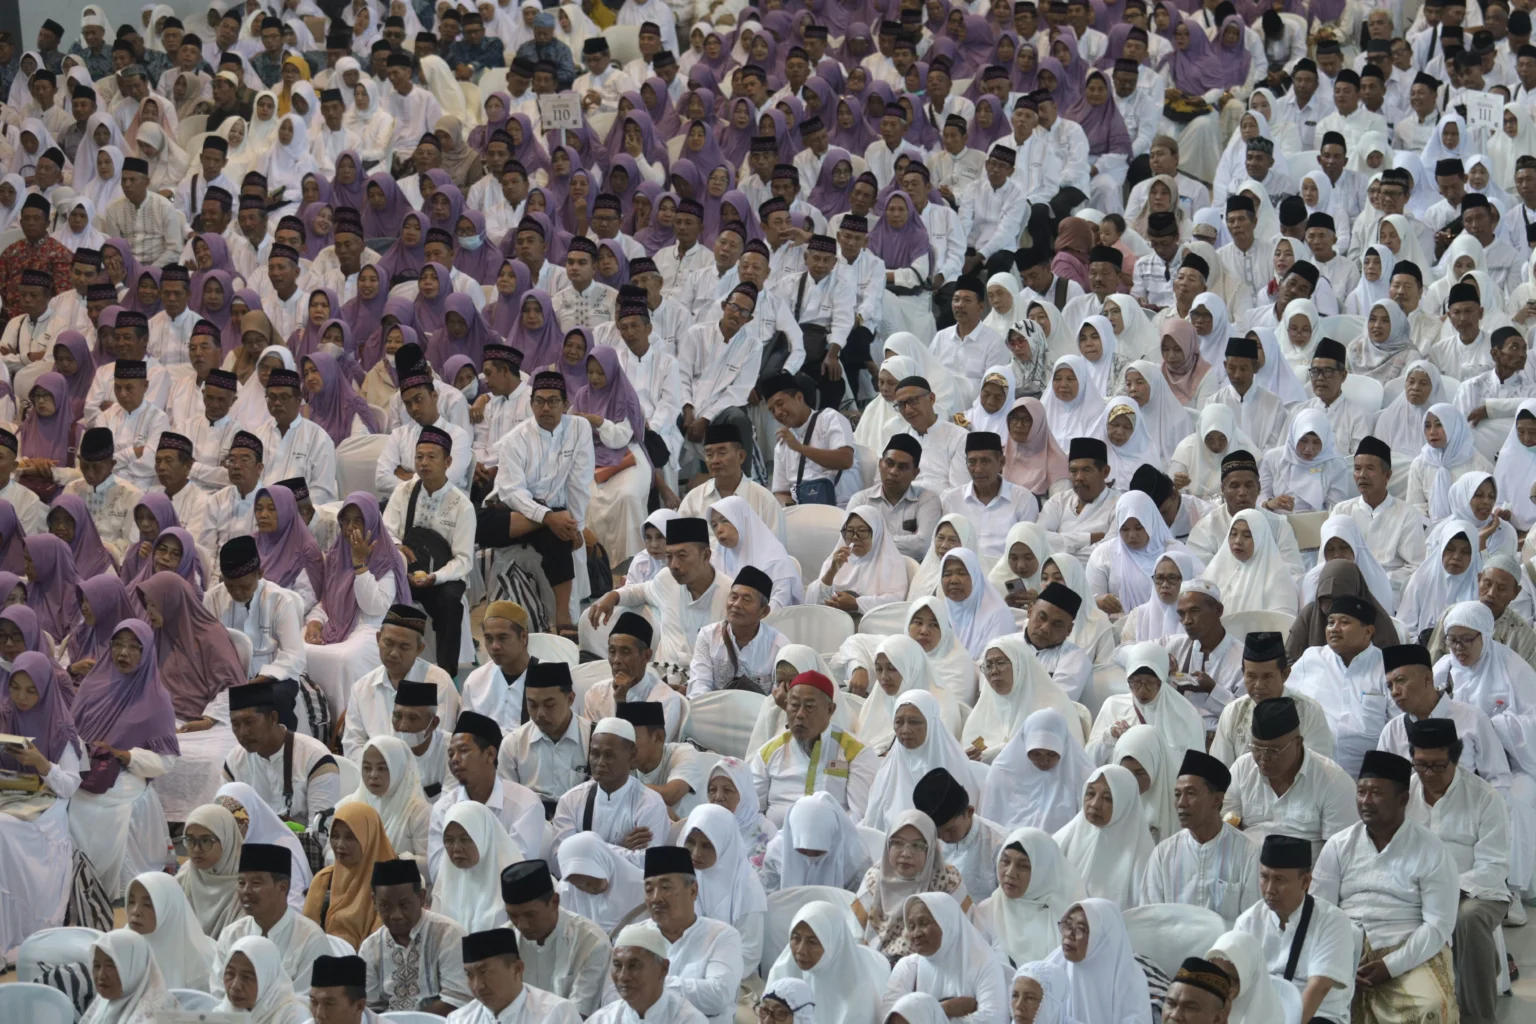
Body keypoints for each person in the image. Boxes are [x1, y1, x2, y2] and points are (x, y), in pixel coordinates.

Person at [1310, 750, 1460, 1024]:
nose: (1366, 801)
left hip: (1407, 950)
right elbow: (1320, 911)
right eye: (1361, 792)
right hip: (1346, 949)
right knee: (1305, 1001)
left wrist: (1390, 966)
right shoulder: (1339, 845)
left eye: (1377, 793)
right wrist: (1338, 961)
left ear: (1403, 798)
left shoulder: (1431, 850)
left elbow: (1438, 926)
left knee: (1429, 1008)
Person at [1405, 718, 1511, 1024]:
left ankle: (1477, 1018)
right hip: (1414, 888)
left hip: (1476, 892)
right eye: (1420, 765)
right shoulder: (1404, 794)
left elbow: (1494, 866)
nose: (1427, 774)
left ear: (1456, 758)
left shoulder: (1484, 797)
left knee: (1468, 919)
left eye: (1437, 766)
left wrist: (1446, 889)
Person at [67, 618, 179, 897]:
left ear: (147, 652)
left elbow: (166, 762)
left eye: (133, 647)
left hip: (126, 776)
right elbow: (70, 736)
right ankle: (77, 884)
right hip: (86, 772)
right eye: (117, 645)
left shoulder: (156, 698)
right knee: (71, 805)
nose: (123, 653)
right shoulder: (92, 687)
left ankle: (115, 889)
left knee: (113, 810)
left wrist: (125, 755)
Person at [481, 369, 594, 638]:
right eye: (539, 401)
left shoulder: (579, 429)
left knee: (560, 531)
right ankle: (555, 519)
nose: (546, 408)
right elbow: (511, 492)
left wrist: (575, 525)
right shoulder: (514, 440)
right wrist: (547, 515)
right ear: (531, 404)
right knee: (484, 523)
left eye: (553, 401)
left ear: (566, 405)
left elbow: (579, 483)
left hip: (551, 518)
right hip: (508, 515)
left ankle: (563, 617)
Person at [303, 492, 410, 717]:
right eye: (346, 520)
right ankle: (317, 720)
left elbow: (376, 607)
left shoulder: (387, 558)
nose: (351, 527)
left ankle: (347, 724)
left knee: (346, 660)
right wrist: (315, 623)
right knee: (299, 648)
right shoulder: (335, 554)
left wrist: (360, 565)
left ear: (371, 521)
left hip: (375, 629)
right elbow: (326, 602)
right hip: (338, 624)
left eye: (358, 520)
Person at [381, 426, 476, 674]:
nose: (423, 463)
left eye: (431, 457)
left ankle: (447, 673)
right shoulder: (403, 492)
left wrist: (436, 577)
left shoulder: (462, 505)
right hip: (405, 570)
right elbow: (387, 532)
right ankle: (390, 666)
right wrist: (397, 547)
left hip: (443, 576)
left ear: (448, 462)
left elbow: (464, 560)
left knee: (450, 603)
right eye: (419, 457)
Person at [1141, 750, 1260, 926]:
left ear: (1217, 800)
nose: (1181, 803)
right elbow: (1150, 918)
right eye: (1177, 794)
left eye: (1191, 793)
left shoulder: (1248, 853)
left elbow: (1251, 923)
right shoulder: (1163, 854)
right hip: (1172, 950)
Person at [749, 669, 876, 827]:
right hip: (776, 843)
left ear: (830, 710)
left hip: (835, 845)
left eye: (809, 707)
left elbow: (860, 815)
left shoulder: (856, 752)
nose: (800, 714)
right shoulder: (769, 752)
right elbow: (752, 810)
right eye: (794, 705)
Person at [1284, 593, 1391, 778]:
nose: (1334, 629)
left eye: (1344, 622)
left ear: (1368, 631)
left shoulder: (1386, 667)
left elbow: (1398, 728)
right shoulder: (1312, 658)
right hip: (1312, 774)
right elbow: (1285, 703)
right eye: (1331, 622)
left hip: (1367, 777)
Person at [210, 842, 333, 998]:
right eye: (241, 883)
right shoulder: (232, 934)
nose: (246, 891)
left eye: (256, 883)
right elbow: (218, 993)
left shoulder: (310, 938)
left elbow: (307, 1003)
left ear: (283, 887)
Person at [340, 604, 459, 763]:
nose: (394, 653)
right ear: (378, 639)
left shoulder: (439, 684)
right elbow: (353, 743)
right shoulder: (362, 688)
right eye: (388, 643)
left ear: (419, 649)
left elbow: (438, 746)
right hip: (374, 777)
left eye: (404, 647)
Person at [428, 711, 543, 874]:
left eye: (463, 750)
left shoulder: (525, 803)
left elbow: (518, 868)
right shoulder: (443, 808)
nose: (455, 759)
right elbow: (438, 871)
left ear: (490, 754)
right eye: (451, 753)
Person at [550, 715, 670, 865]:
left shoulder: (650, 803)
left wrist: (582, 850)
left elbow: (647, 863)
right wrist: (621, 848)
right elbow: (558, 861)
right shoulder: (570, 800)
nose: (599, 763)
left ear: (632, 756)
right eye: (595, 754)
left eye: (609, 755)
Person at [358, 858, 471, 1014]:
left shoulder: (448, 934)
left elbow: (457, 1001)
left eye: (404, 905)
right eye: (385, 906)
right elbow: (370, 1008)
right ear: (374, 902)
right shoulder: (370, 947)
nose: (395, 915)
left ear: (421, 897)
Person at [501, 860, 612, 1017]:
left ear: (554, 902)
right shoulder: (503, 942)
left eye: (530, 915)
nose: (522, 925)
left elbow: (577, 1016)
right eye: (513, 916)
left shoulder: (591, 942)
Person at [1210, 631, 1335, 766]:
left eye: (1267, 676)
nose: (1258, 686)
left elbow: (1318, 770)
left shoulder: (1309, 711)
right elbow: (1220, 771)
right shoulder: (1233, 712)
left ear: (1285, 674)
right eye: (1251, 676)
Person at [224, 680, 340, 823]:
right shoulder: (233, 762)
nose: (242, 732)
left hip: (303, 845)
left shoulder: (315, 759)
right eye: (235, 725)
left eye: (250, 722)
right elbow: (228, 826)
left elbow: (320, 835)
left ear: (273, 718)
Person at [882, 891, 1008, 1021]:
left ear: (948, 923)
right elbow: (888, 1019)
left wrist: (918, 1017)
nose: (916, 933)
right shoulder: (908, 967)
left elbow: (994, 1020)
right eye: (912, 926)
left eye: (924, 923)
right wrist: (945, 1008)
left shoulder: (983, 963)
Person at [764, 900, 889, 1024]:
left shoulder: (858, 993)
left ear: (833, 945)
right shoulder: (783, 968)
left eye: (812, 942)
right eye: (796, 938)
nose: (800, 950)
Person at [1051, 764, 1153, 908]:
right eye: (1090, 794)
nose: (1094, 804)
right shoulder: (1064, 838)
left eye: (1108, 799)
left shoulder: (1142, 857)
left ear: (1125, 803)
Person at [1044, 898, 1153, 1024]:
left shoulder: (1130, 981)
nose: (1069, 934)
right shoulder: (1052, 967)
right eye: (1067, 924)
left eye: (1080, 929)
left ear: (1103, 939)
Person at [582, 611, 684, 738]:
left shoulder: (665, 700)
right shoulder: (596, 693)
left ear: (646, 656)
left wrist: (621, 703)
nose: (616, 660)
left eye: (625, 652)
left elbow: (646, 753)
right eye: (612, 651)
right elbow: (592, 746)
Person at [454, 926, 581, 1024]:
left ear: (516, 969)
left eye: (484, 972)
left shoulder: (557, 1013)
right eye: (469, 975)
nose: (478, 986)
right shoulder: (460, 1019)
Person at [587, 924, 709, 1024]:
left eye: (634, 966)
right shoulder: (602, 1020)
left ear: (663, 968)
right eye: (617, 965)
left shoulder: (689, 1019)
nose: (623, 976)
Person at [337, 737, 433, 863]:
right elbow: (329, 849)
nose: (373, 775)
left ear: (399, 769)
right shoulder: (348, 806)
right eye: (367, 768)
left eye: (382, 768)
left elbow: (430, 865)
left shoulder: (419, 812)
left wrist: (391, 860)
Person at [460, 600, 538, 732]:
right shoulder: (475, 681)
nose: (494, 646)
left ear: (524, 637)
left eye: (503, 637)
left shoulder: (550, 676)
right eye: (489, 639)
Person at [79, 930, 178, 1024]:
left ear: (136, 968)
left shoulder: (156, 1016)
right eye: (96, 966)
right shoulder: (103, 1002)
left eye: (111, 966)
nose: (101, 975)